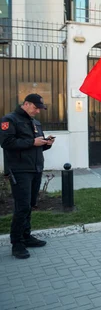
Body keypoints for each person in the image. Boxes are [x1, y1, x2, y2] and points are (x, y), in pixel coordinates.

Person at [0, 94, 54, 259]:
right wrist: (32, 142)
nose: (38, 111)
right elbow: (6, 143)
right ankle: (17, 243)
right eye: (35, 107)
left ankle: (26, 236)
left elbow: (36, 147)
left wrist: (46, 144)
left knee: (30, 204)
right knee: (22, 206)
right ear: (26, 104)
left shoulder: (35, 122)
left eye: (39, 108)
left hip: (35, 168)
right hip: (19, 169)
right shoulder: (10, 119)